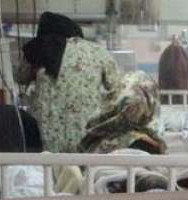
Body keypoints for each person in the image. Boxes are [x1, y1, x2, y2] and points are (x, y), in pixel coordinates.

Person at [20, 12, 121, 153]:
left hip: (47, 142)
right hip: (87, 139)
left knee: (50, 166)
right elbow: (118, 90)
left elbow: (21, 77)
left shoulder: (39, 48)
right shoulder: (98, 52)